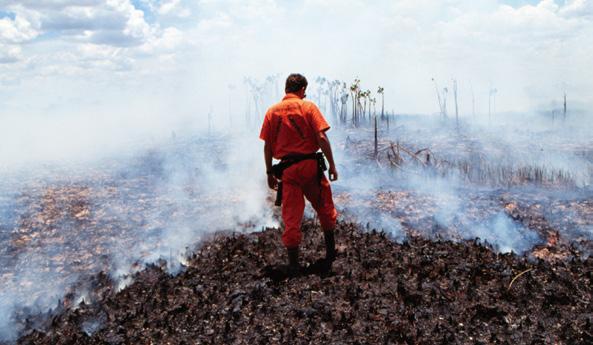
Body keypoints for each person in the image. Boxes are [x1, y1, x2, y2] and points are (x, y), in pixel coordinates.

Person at [259, 73, 339, 274]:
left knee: (291, 216)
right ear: (301, 89)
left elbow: (268, 147)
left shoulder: (272, 112)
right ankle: (331, 254)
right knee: (324, 206)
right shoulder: (308, 107)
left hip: (288, 171)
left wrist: (269, 172)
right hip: (310, 167)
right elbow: (321, 137)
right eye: (305, 90)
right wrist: (332, 165)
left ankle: (294, 264)